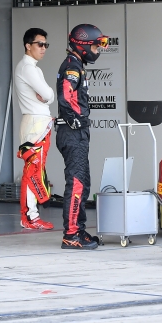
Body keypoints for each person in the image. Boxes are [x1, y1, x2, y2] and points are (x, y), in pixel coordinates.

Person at [56, 24, 109, 250]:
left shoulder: (77, 65)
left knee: (83, 183)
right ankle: (70, 235)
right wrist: (73, 120)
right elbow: (64, 95)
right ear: (83, 45)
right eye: (96, 46)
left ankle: (78, 229)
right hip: (72, 133)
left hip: (78, 132)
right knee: (77, 183)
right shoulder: (72, 66)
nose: (98, 50)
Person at [15, 28, 56, 230]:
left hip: (37, 123)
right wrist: (48, 97)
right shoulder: (28, 68)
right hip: (35, 125)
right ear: (28, 45)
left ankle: (30, 216)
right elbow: (49, 94)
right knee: (33, 171)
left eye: (45, 44)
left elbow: (48, 96)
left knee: (33, 171)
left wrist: (48, 97)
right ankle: (29, 217)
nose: (43, 48)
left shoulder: (30, 67)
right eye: (40, 44)